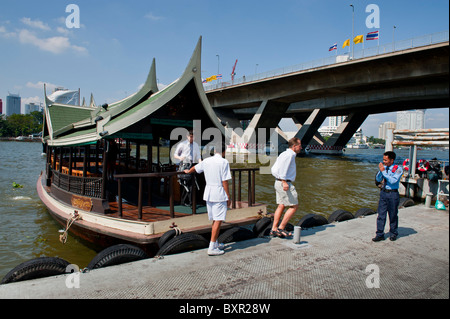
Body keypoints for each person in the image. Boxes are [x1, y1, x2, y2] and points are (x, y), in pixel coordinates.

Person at [184, 142, 231, 256]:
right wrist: (228, 195)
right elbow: (224, 181)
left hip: (209, 192)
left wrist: (188, 171)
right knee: (218, 220)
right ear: (224, 152)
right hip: (219, 193)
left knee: (215, 220)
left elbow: (195, 168)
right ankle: (212, 246)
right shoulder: (224, 162)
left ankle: (215, 243)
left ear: (215, 151)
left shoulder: (207, 161)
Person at [270, 137, 302, 238]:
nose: (301, 147)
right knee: (294, 206)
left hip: (278, 182)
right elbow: (283, 169)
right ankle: (281, 228)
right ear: (294, 146)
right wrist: (284, 182)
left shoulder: (283, 154)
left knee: (281, 205)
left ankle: (274, 229)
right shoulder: (290, 155)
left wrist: (280, 180)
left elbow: (274, 169)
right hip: (284, 183)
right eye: (300, 146)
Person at [373, 151, 403, 242]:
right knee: (381, 215)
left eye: (386, 160)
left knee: (393, 215)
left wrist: (384, 172)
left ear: (392, 160)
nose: (384, 162)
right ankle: (379, 234)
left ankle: (393, 233)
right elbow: (378, 179)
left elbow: (393, 181)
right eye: (383, 160)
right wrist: (380, 172)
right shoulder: (384, 168)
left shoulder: (398, 169)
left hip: (393, 194)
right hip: (384, 193)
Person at [174, 130, 202, 206]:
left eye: (193, 137)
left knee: (192, 183)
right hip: (184, 164)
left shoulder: (196, 145)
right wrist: (180, 158)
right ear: (187, 136)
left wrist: (201, 163)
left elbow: (198, 155)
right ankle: (186, 201)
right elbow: (175, 154)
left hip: (192, 164)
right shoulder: (182, 144)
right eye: (190, 136)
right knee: (185, 183)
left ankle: (189, 201)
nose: (191, 138)